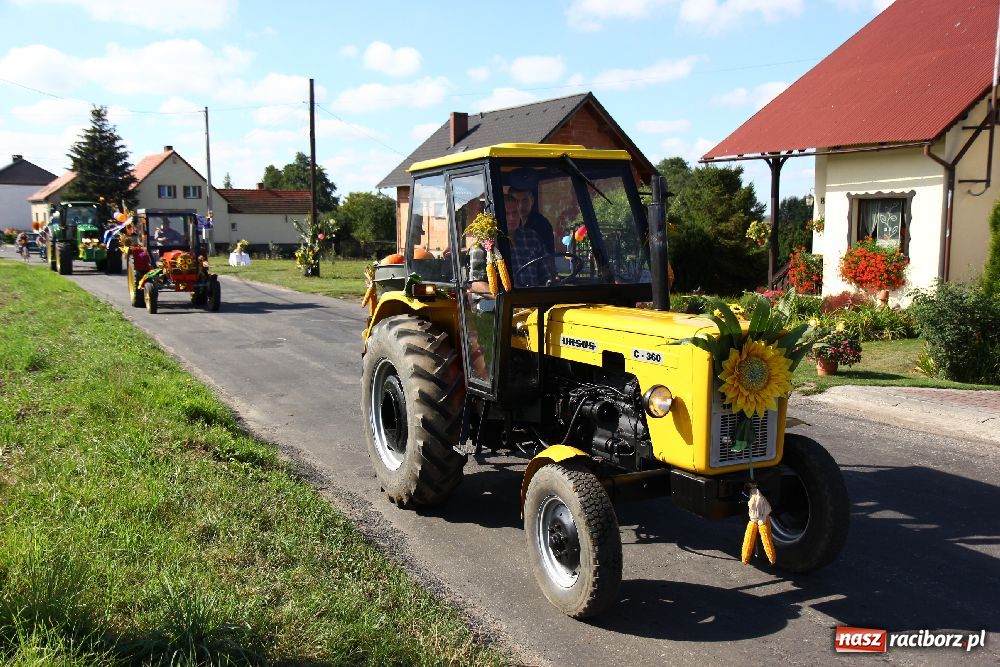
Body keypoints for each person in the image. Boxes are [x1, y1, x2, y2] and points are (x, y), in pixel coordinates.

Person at [501, 192, 552, 287]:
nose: (512, 218)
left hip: (533, 298)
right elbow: (476, 284)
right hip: (504, 300)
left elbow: (546, 274)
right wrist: (501, 295)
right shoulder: (487, 242)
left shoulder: (532, 237)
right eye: (506, 214)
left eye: (515, 213)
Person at [507, 168, 555, 256]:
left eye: (525, 200)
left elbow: (549, 257)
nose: (521, 206)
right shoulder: (503, 227)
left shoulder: (541, 225)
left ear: (532, 200)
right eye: (517, 201)